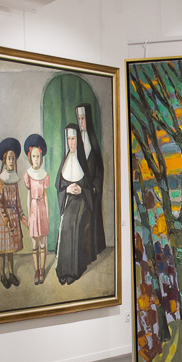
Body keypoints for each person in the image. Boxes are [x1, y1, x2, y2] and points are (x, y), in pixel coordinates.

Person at [55, 124, 95, 285]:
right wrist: (67, 190)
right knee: (65, 225)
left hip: (81, 201)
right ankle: (63, 271)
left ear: (78, 140)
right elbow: (58, 186)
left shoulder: (82, 161)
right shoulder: (65, 161)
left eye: (73, 139)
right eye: (69, 139)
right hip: (68, 200)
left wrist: (81, 189)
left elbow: (89, 187)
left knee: (75, 225)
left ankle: (74, 271)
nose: (71, 143)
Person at [0, 137, 27, 288]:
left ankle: (11, 273)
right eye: (9, 158)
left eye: (13, 158)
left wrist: (22, 215)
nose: (11, 161)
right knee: (3, 249)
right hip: (5, 220)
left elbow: (18, 201)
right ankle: (2, 274)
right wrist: (6, 219)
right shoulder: (1, 180)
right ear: (4, 160)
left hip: (14, 217)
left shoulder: (15, 179)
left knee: (11, 249)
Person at [75, 103, 106, 254]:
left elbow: (99, 169)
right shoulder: (76, 141)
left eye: (83, 118)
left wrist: (95, 186)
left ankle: (94, 249)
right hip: (80, 189)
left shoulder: (92, 141)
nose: (81, 122)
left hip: (91, 190)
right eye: (79, 118)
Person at [23, 133, 50, 285]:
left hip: (42, 210)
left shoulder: (44, 175)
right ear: (30, 157)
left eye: (38, 156)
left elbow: (45, 196)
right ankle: (36, 270)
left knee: (42, 243)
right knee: (34, 244)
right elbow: (28, 196)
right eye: (33, 157)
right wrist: (29, 215)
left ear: (41, 157)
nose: (36, 159)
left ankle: (42, 269)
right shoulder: (28, 175)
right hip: (33, 211)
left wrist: (48, 215)